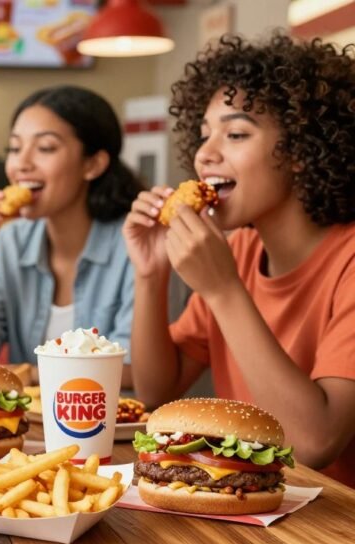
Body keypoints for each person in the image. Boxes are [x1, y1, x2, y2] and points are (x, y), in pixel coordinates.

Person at [124, 33, 355, 486]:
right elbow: (156, 390)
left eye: (235, 134)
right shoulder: (241, 251)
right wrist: (150, 274)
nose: (205, 154)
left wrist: (223, 289)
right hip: (250, 500)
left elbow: (314, 443)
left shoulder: (346, 260)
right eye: (204, 134)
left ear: (300, 152)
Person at [0, 86, 141, 385]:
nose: (21, 164)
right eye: (14, 148)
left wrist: (26, 374)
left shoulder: (136, 246)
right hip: (31, 416)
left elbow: (138, 373)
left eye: (45, 148)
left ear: (93, 164)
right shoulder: (10, 242)